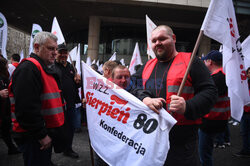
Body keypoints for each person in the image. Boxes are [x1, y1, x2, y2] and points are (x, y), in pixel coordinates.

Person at [131, 25, 218, 166]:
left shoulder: (191, 61)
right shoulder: (147, 65)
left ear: (173, 38)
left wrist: (187, 106)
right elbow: (131, 86)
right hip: (150, 138)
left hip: (182, 142)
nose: (157, 43)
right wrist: (145, 98)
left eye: (162, 39)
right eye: (153, 41)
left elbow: (210, 92)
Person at [9, 32, 67, 166]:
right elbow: (26, 109)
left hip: (38, 135)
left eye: (56, 49)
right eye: (50, 48)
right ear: (36, 47)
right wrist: (41, 135)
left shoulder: (41, 68)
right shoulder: (29, 69)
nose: (55, 53)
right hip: (33, 137)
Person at [199, 50, 230, 166]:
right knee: (207, 152)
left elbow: (202, 97)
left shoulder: (216, 78)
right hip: (220, 119)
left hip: (210, 120)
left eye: (205, 60)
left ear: (210, 62)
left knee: (204, 155)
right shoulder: (226, 75)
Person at [55, 44, 81, 159]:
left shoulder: (71, 67)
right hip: (58, 104)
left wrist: (78, 80)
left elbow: (77, 85)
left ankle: (68, 149)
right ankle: (54, 150)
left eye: (65, 53)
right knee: (56, 129)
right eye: (61, 52)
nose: (63, 55)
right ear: (56, 53)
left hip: (71, 104)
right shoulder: (52, 67)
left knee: (70, 128)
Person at [0, 56, 20, 155]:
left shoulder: (4, 78)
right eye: (6, 65)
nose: (8, 66)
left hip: (6, 110)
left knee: (6, 130)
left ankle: (12, 148)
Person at [234, 67, 250, 157]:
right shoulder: (244, 85)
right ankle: (246, 150)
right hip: (245, 112)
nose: (249, 74)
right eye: (248, 73)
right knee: (244, 132)